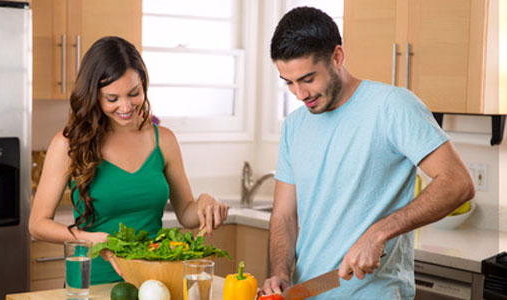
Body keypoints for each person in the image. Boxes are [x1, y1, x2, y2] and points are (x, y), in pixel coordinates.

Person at [260, 7, 475, 299]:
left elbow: (458, 182)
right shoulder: (294, 126)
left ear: (337, 57)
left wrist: (379, 233)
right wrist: (281, 273)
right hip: (306, 293)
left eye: (308, 79)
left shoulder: (392, 106)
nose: (300, 94)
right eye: (289, 83)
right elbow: (284, 215)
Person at [29, 36, 229, 285]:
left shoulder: (163, 140)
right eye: (112, 98)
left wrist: (206, 203)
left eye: (134, 93)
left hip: (154, 282)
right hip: (92, 283)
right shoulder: (68, 144)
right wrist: (87, 239)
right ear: (94, 95)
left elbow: (186, 214)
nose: (125, 106)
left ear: (144, 85)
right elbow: (38, 224)